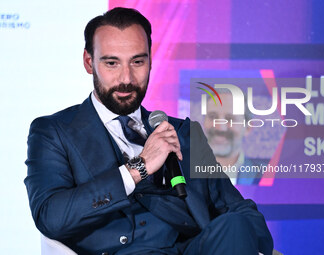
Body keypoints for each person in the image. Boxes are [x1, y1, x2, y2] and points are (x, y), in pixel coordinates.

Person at [24, 7, 273, 255]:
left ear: (150, 61)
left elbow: (237, 208)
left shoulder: (183, 132)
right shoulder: (53, 132)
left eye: (137, 62)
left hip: (192, 249)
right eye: (112, 63)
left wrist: (253, 243)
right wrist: (138, 169)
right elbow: (50, 216)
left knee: (235, 224)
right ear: (89, 62)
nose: (127, 78)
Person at [203, 92, 270, 185]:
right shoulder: (182, 171)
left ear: (248, 128)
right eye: (212, 117)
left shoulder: (267, 176)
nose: (220, 127)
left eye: (230, 118)